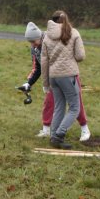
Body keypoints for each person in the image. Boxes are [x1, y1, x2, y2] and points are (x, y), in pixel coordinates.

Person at [20, 22, 91, 142]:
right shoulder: (35, 48)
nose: (33, 45)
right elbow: (38, 67)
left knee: (76, 103)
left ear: (40, 36)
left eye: (33, 41)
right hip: (53, 79)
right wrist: (29, 83)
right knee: (50, 103)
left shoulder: (51, 40)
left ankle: (84, 129)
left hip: (69, 75)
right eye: (30, 42)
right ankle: (47, 130)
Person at [40, 11, 86, 149]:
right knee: (75, 107)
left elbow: (44, 62)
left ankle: (54, 137)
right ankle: (60, 133)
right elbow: (80, 56)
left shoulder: (47, 37)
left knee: (59, 107)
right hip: (68, 75)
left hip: (53, 77)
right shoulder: (73, 33)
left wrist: (45, 83)